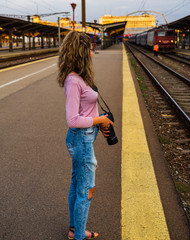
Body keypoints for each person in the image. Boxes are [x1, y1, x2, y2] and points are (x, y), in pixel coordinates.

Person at [57, 31, 113, 240]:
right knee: (86, 190)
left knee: (77, 185)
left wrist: (101, 122)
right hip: (81, 140)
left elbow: (85, 111)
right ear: (81, 51)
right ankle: (79, 235)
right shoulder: (73, 81)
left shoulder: (81, 77)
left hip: (85, 137)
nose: (93, 50)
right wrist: (100, 120)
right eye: (90, 47)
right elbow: (72, 119)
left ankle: (74, 231)